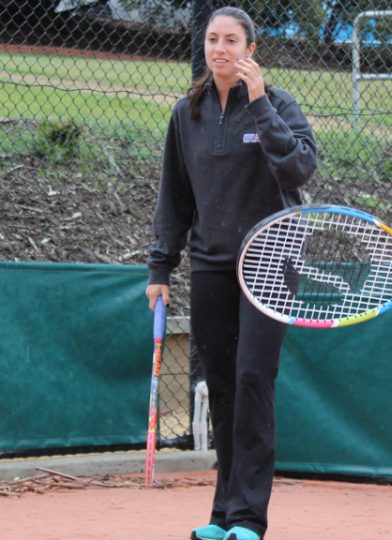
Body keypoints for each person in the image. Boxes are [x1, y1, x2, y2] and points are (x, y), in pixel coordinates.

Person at [144, 6, 317, 540]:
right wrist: (161, 267)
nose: (220, 49)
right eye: (213, 40)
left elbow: (299, 167)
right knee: (219, 382)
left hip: (272, 262)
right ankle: (222, 514)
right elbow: (174, 195)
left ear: (250, 50)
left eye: (232, 41)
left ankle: (248, 518)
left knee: (251, 379)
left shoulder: (279, 103)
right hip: (212, 265)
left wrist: (261, 104)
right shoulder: (186, 112)